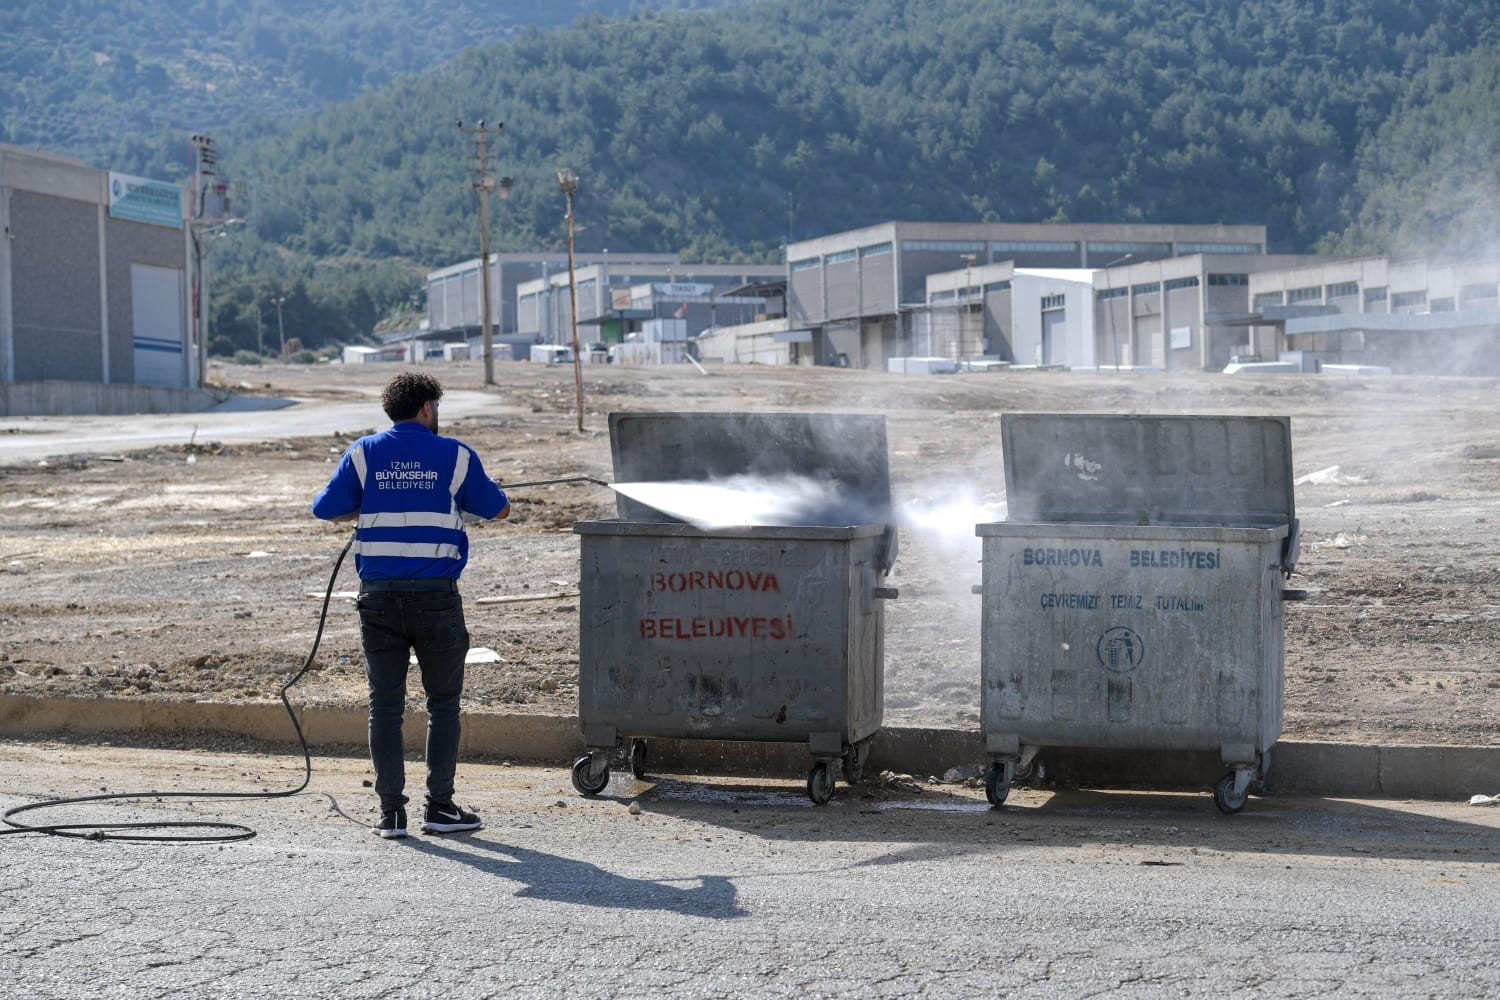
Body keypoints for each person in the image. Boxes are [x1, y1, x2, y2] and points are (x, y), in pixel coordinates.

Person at [312, 371, 509, 839]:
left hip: (378, 600)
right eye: (436, 408)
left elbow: (325, 508)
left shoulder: (362, 453)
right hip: (436, 600)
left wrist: (365, 506)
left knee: (385, 707)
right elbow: (498, 508)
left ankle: (390, 814)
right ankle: (439, 808)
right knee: (443, 705)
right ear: (426, 408)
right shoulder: (456, 455)